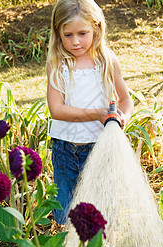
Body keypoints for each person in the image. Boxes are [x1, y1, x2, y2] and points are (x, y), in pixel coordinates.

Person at [46, 0, 134, 225]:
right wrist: (96, 114)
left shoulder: (106, 61)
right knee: (66, 210)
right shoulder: (58, 63)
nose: (75, 42)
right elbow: (56, 109)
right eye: (68, 35)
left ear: (96, 27)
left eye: (82, 33)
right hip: (65, 149)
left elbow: (125, 100)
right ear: (58, 33)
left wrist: (121, 117)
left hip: (99, 147)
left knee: (102, 206)